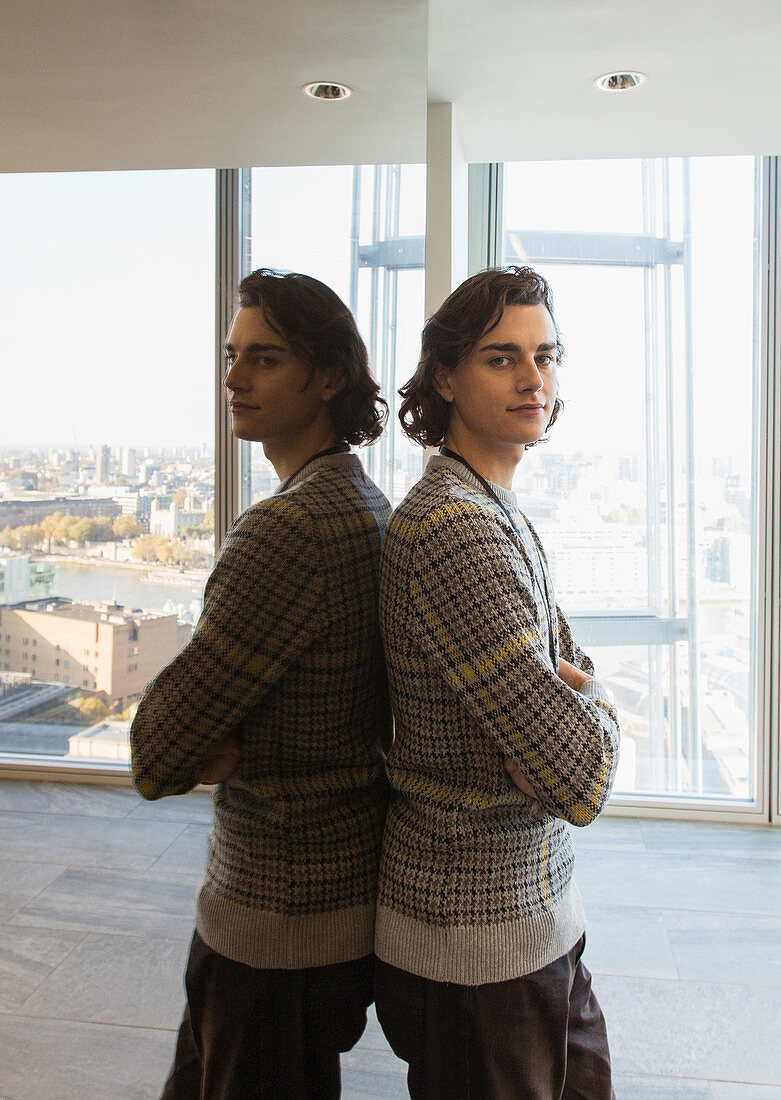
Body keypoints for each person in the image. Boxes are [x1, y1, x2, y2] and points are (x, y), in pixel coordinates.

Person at [130, 268, 392, 1099]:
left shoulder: (288, 530)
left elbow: (155, 751)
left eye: (265, 359)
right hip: (329, 903)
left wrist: (206, 749)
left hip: (276, 917)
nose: (234, 378)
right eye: (231, 354)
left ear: (327, 377)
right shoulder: (362, 502)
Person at [374, 266, 621, 1099]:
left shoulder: (496, 507)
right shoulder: (454, 529)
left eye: (544, 354)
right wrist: (595, 706)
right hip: (473, 941)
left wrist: (577, 707)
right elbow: (576, 776)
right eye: (500, 357)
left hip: (527, 917)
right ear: (444, 377)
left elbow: (564, 721)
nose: (533, 378)